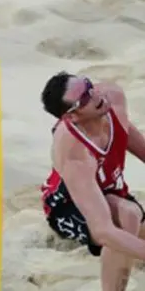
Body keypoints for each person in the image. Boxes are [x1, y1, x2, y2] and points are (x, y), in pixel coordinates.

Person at [40, 71, 145, 291]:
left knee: (132, 229)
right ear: (72, 116)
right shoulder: (73, 149)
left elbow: (127, 137)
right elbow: (102, 230)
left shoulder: (111, 98)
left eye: (88, 85)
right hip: (69, 203)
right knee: (127, 217)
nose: (95, 95)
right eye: (84, 98)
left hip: (110, 188)